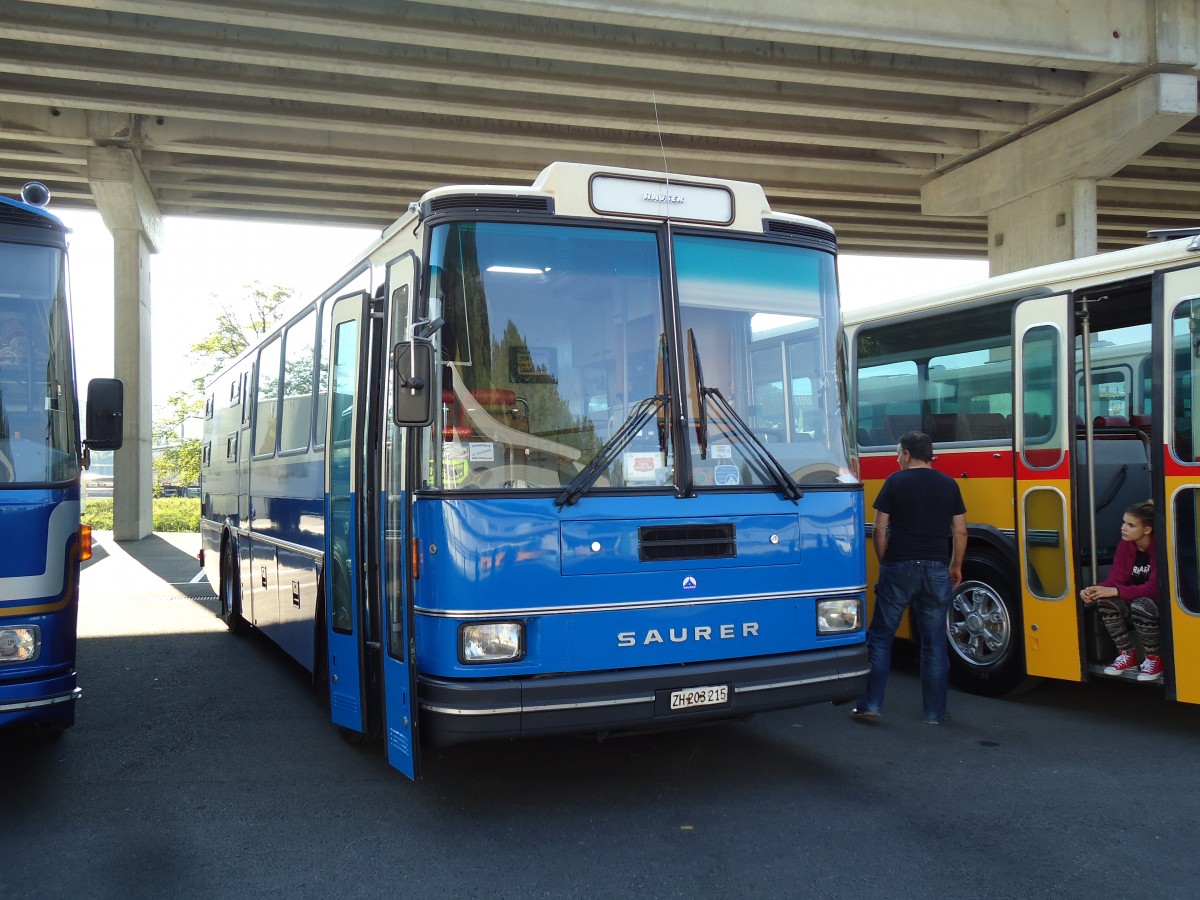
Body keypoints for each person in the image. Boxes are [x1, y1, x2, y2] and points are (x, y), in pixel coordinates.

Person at [853, 431, 967, 725]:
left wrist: (885, 561)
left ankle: (871, 704)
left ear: (907, 454)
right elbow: (960, 531)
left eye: (898, 453)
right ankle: (934, 712)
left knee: (881, 637)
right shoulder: (949, 484)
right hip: (936, 569)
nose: (896, 459)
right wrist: (955, 565)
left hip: (899, 566)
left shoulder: (895, 481)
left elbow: (879, 528)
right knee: (934, 642)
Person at [1080, 500, 1161, 681]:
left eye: (1131, 525)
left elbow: (1155, 589)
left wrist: (1116, 591)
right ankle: (1127, 656)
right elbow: (1116, 579)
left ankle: (1154, 659)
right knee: (1105, 601)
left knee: (1141, 605)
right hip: (1137, 601)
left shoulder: (1159, 547)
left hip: (1158, 605)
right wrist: (1096, 590)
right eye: (1124, 522)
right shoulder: (1126, 545)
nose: (1123, 528)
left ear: (1147, 530)